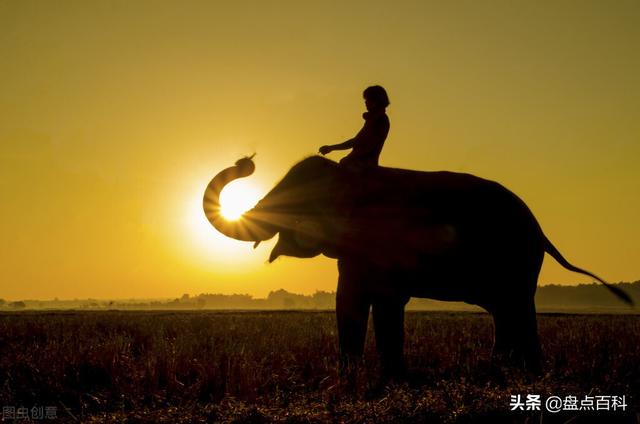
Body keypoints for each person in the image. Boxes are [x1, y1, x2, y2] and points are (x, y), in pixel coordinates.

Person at [319, 85, 390, 172]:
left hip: (364, 165)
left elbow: (368, 145)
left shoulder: (380, 120)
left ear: (375, 101)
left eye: (367, 100)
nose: (365, 103)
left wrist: (348, 158)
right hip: (359, 163)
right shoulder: (373, 119)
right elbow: (357, 141)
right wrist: (331, 148)